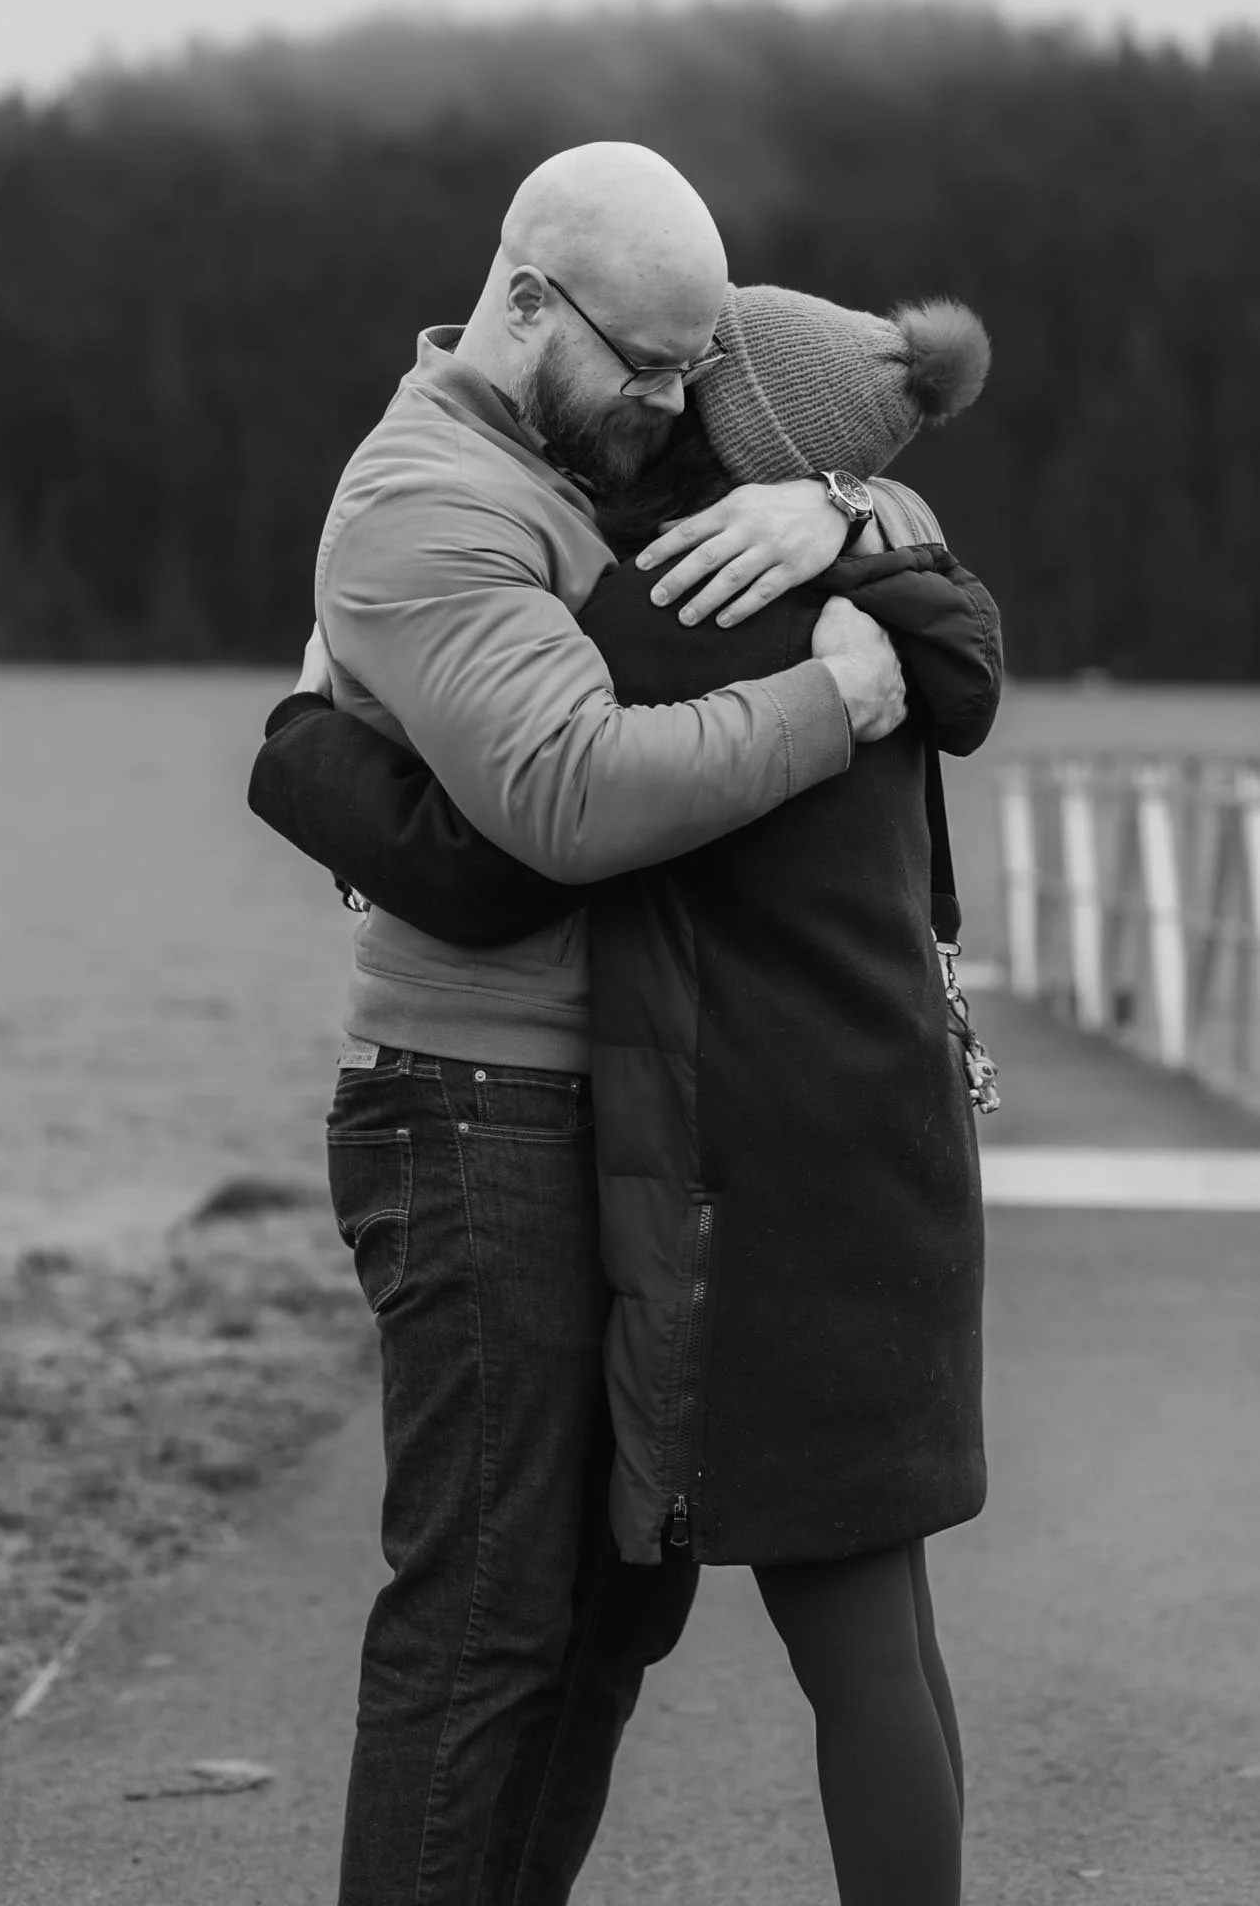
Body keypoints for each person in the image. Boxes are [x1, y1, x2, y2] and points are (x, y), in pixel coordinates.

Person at [260, 138, 963, 1906]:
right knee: (489, 1615)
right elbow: (567, 798)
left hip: (620, 1107)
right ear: (521, 300)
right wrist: (835, 691)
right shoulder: (427, 500)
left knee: (607, 1613)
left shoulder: (602, 473)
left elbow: (844, 482)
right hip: (471, 1108)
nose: (667, 403)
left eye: (690, 373)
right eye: (643, 363)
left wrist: (853, 508)